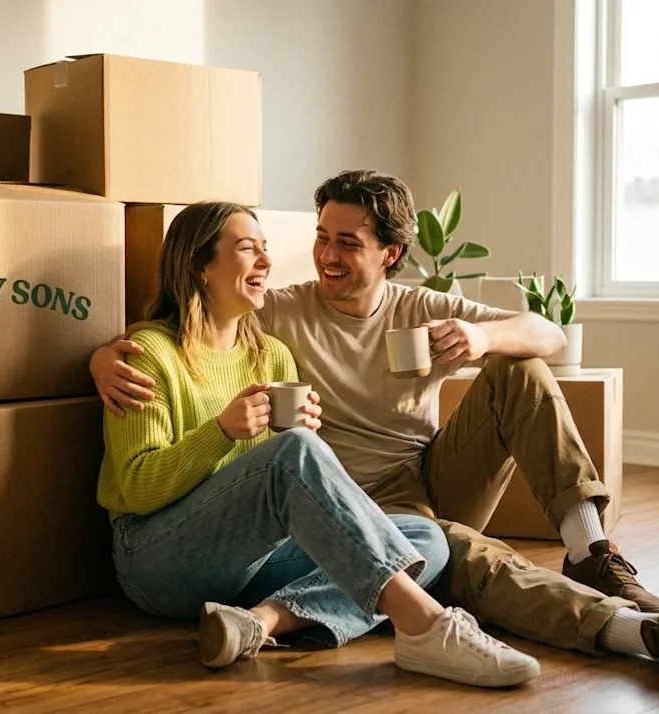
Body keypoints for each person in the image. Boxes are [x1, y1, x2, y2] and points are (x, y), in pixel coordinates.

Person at [92, 171, 659, 676]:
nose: (324, 255)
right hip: (281, 514)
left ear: (391, 252)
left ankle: (591, 550)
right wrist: (103, 360)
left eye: (347, 242)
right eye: (320, 237)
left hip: (403, 490)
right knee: (435, 549)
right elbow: (171, 428)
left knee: (507, 394)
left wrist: (482, 340)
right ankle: (612, 634)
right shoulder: (257, 321)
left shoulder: (334, 330)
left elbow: (549, 334)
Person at [97, 200, 542, 688]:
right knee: (299, 460)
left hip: (246, 568)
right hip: (155, 561)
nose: (266, 263)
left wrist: (298, 435)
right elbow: (137, 490)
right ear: (197, 266)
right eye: (248, 250)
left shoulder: (271, 355)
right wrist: (222, 432)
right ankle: (426, 627)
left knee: (421, 539)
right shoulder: (146, 358)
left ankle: (261, 621)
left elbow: (277, 482)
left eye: (266, 250)